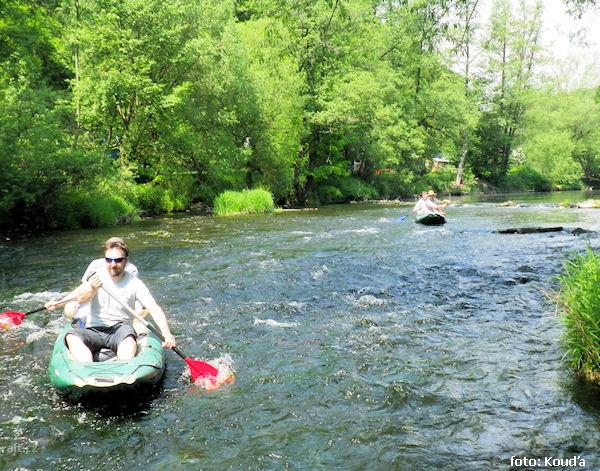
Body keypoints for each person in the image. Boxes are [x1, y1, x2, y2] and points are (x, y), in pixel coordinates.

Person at [46, 237, 176, 362]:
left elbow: (154, 308)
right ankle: (86, 367)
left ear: (126, 261)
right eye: (109, 260)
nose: (113, 264)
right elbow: (79, 297)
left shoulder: (135, 283)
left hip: (120, 330)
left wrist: (167, 334)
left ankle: (124, 366)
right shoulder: (96, 277)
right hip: (94, 329)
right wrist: (59, 303)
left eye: (118, 260)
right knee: (71, 336)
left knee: (128, 339)